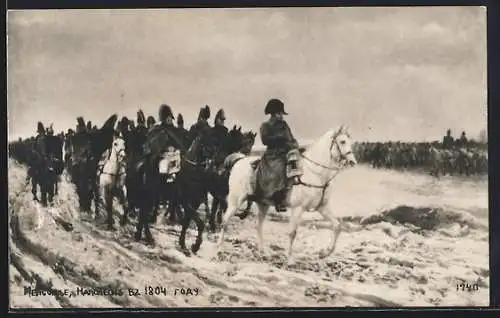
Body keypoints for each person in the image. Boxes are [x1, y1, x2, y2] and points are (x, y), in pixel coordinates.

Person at [257, 98, 299, 212]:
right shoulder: (265, 126)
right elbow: (265, 140)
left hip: (286, 152)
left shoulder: (284, 124)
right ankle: (278, 199)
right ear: (273, 114)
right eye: (279, 113)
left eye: (281, 114)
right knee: (280, 168)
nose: (281, 116)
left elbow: (290, 137)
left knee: (299, 163)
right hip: (273, 155)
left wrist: (294, 144)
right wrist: (279, 139)